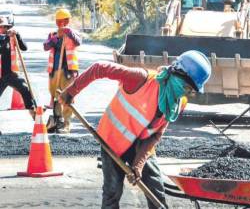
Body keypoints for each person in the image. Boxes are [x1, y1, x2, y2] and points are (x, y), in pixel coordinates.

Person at [59, 50, 211, 209]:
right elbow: (99, 68)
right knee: (112, 192)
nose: (185, 93)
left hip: (141, 144)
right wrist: (71, 90)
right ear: (176, 74)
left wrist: (138, 163)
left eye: (190, 91)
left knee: (156, 189)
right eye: (186, 87)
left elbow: (156, 134)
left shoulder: (177, 103)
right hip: (113, 141)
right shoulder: (141, 79)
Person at [44, 8, 81, 134]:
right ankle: (57, 121)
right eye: (59, 21)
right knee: (55, 96)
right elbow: (46, 46)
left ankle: (66, 124)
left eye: (64, 21)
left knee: (68, 97)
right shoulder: (52, 35)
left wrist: (69, 32)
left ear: (68, 21)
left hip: (68, 71)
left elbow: (78, 42)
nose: (61, 24)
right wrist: (55, 38)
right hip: (54, 71)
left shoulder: (73, 33)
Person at [0, 17, 35, 119]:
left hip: (12, 74)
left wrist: (18, 36)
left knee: (26, 90)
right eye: (2, 27)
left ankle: (34, 114)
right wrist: (6, 37)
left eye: (6, 27)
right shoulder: (5, 38)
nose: (4, 29)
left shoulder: (12, 37)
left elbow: (24, 47)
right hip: (0, 75)